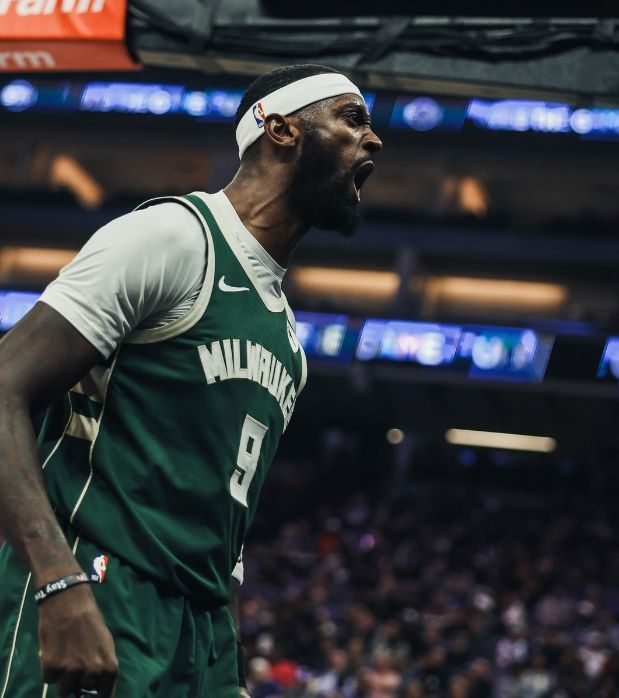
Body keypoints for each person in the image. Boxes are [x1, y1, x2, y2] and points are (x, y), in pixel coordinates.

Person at [0, 63, 382, 698]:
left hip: (200, 635)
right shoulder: (174, 237)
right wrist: (57, 581)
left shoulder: (289, 342)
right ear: (281, 130)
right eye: (352, 119)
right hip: (97, 585)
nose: (373, 139)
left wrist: (227, 664)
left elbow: (226, 531)